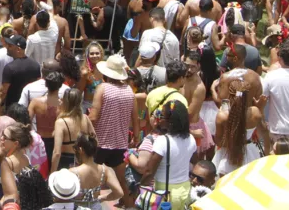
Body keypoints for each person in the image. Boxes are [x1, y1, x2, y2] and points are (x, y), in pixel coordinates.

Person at [127, 99, 196, 210]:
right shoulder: (191, 139)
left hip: (166, 194)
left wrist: (140, 189)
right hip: (185, 190)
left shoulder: (163, 141)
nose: (159, 120)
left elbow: (149, 172)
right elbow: (192, 161)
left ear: (170, 121)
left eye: (161, 116)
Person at [88, 55, 138, 207]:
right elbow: (135, 118)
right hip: (120, 144)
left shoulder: (102, 88)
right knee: (121, 180)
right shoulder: (129, 91)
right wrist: (135, 137)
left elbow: (94, 116)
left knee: (94, 179)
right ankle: (129, 206)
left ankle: (93, 206)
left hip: (100, 143)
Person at [211, 68, 264, 176]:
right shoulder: (255, 112)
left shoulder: (222, 116)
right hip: (250, 152)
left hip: (227, 154)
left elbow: (219, 142)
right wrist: (260, 107)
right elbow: (263, 131)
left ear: (230, 94)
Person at [51, 88, 95, 172]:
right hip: (83, 162)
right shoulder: (85, 118)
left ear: (65, 102)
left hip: (66, 163)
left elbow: (57, 153)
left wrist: (52, 173)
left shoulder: (61, 122)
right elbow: (95, 141)